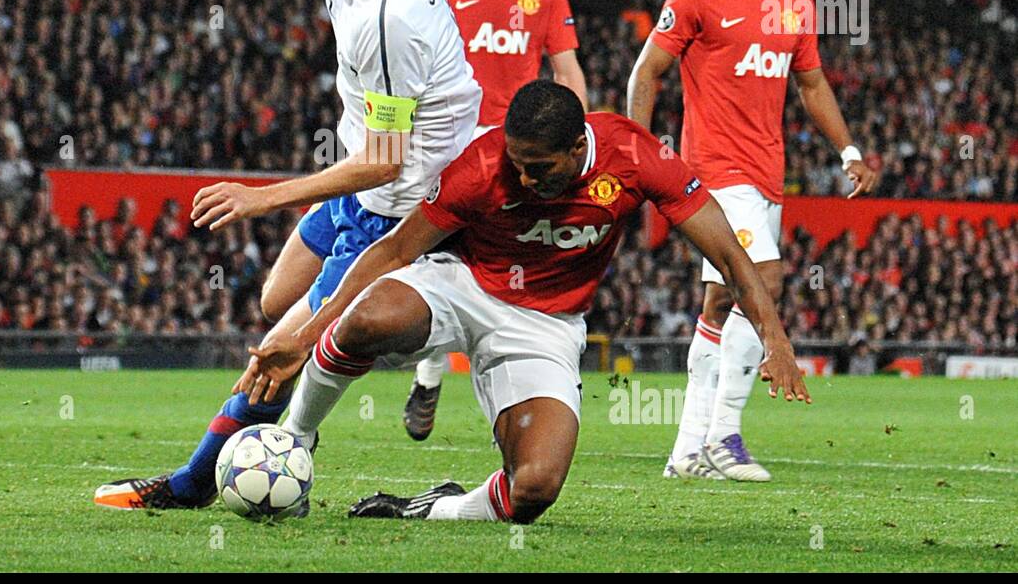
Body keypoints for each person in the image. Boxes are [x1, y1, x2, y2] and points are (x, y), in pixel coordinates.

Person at [74, 0, 482, 510]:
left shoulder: (397, 18)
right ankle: (325, 357)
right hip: (364, 173)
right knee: (274, 297)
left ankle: (193, 482)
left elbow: (386, 158)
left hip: (395, 204)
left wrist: (261, 197)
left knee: (276, 347)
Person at [235, 81, 809, 523]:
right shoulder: (483, 168)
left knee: (532, 491)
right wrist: (302, 338)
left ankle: (434, 508)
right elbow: (392, 252)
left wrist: (775, 340)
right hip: (462, 285)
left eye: (541, 167)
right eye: (519, 164)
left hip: (545, 323)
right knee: (369, 317)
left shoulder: (635, 157)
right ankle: (298, 439)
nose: (527, 179)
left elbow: (732, 256)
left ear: (579, 145)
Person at [626, 0, 877, 482]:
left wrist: (848, 149)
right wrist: (639, 154)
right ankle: (725, 436)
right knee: (761, 278)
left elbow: (812, 85)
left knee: (718, 303)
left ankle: (687, 450)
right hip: (712, 173)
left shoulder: (795, 1)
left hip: (767, 177)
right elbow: (646, 72)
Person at [402, 0, 588, 441]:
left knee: (504, 268)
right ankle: (432, 375)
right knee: (439, 258)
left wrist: (578, 138)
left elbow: (567, 70)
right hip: (450, 146)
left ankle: (507, 382)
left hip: (520, 154)